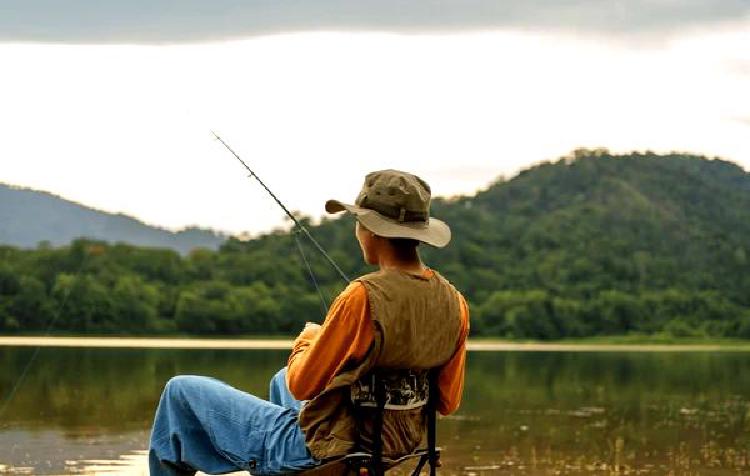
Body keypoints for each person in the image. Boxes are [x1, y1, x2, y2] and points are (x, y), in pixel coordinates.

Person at [148, 169, 470, 476]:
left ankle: (286, 459)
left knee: (179, 393)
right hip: (394, 448)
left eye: (357, 221)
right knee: (280, 378)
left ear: (371, 230)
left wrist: (308, 341)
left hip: (335, 450)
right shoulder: (456, 304)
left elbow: (302, 385)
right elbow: (447, 402)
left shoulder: (362, 297)